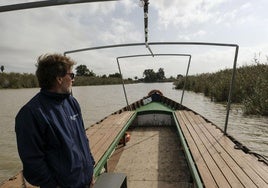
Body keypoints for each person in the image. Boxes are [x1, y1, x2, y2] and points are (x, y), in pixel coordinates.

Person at [15, 53, 95, 188]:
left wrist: (90, 168)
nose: (73, 80)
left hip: (85, 182)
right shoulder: (31, 114)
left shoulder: (72, 102)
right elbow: (33, 163)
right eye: (71, 75)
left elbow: (82, 138)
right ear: (59, 79)